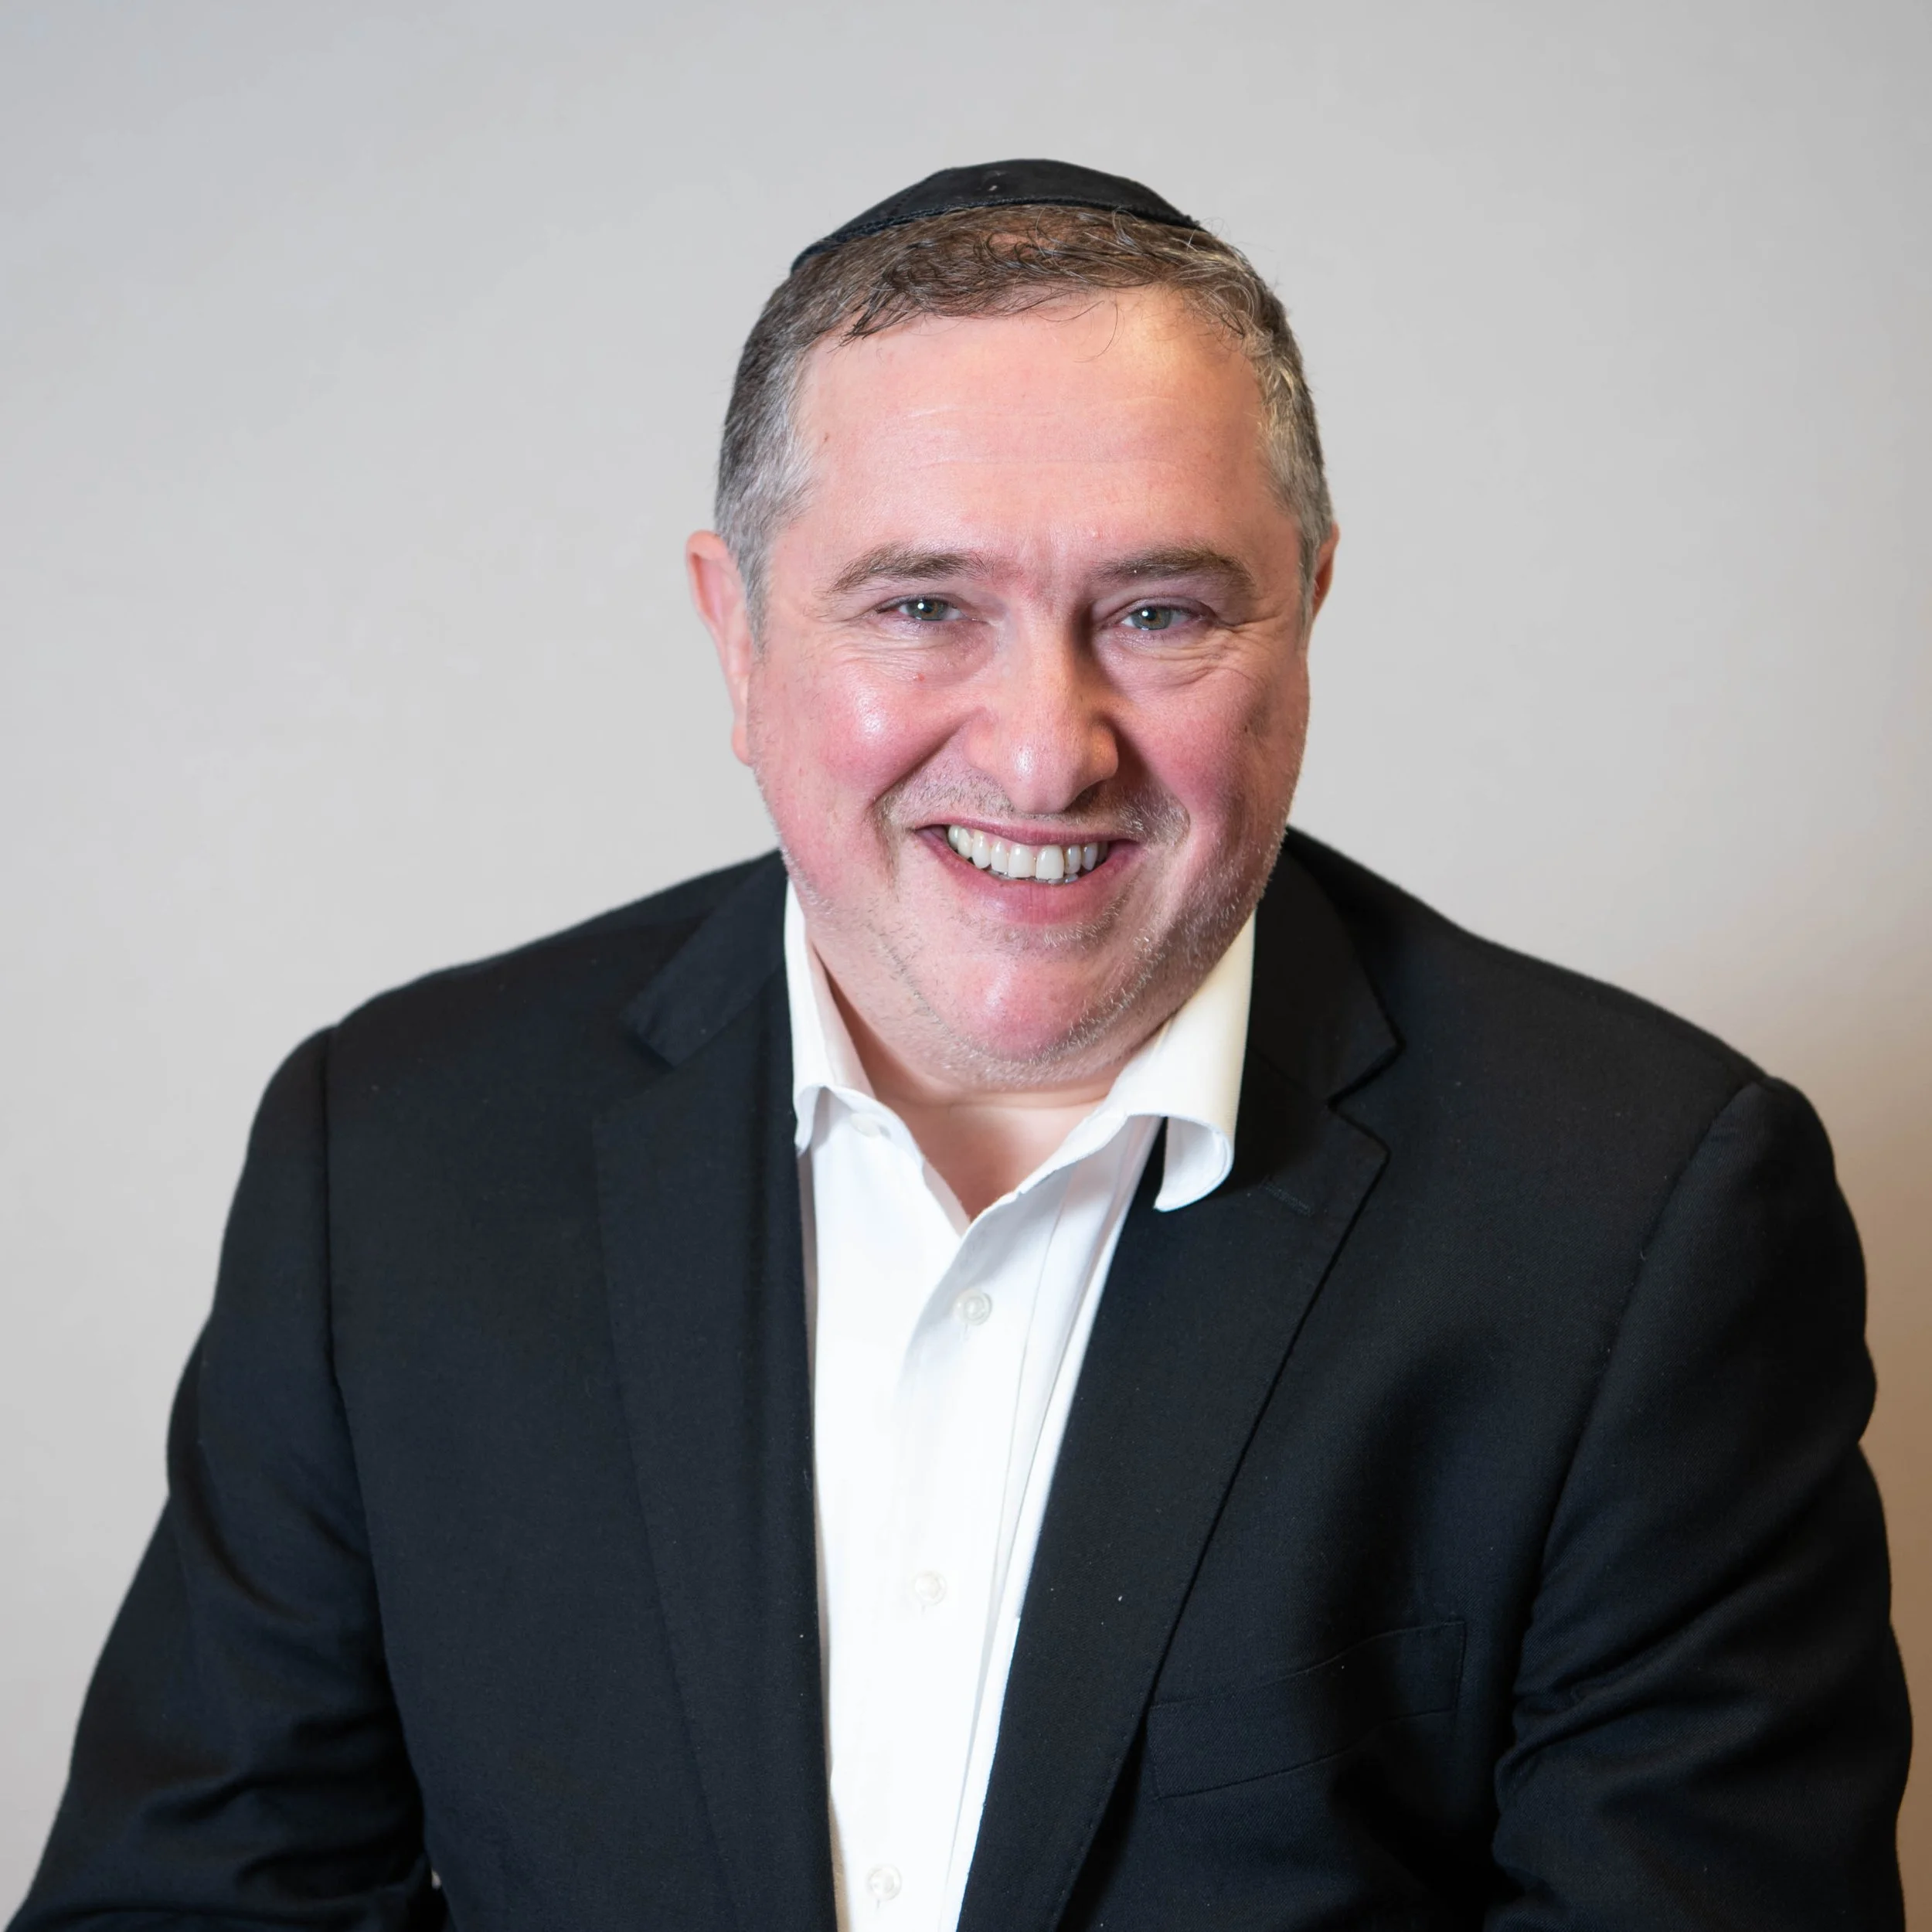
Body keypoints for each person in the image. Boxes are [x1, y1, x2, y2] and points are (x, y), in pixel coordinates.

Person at [11, 159, 1909, 1932]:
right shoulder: (401, 1157)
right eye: (924, 606)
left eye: (1157, 611)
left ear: (1306, 611)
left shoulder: (1641, 1217)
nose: (1037, 749)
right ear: (735, 632)